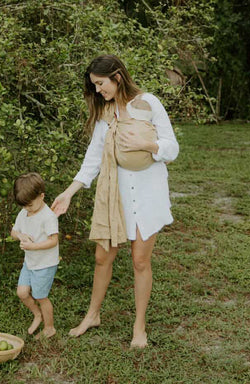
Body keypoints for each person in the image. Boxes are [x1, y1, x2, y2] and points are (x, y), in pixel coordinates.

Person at [51, 54, 179, 348]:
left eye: (100, 84)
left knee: (140, 260)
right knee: (102, 257)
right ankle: (92, 315)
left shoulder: (149, 104)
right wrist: (69, 192)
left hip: (148, 193)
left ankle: (139, 327)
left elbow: (172, 148)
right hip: (116, 194)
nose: (98, 91)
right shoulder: (106, 115)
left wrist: (145, 144)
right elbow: (93, 159)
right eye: (94, 86)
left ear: (117, 77)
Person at [11, 172, 59, 339]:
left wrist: (33, 246)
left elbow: (53, 240)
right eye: (24, 206)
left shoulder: (48, 217)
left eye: (30, 205)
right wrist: (20, 236)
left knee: (41, 296)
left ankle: (49, 328)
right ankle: (37, 314)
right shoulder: (24, 212)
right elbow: (13, 231)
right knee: (22, 293)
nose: (27, 209)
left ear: (42, 196)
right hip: (30, 262)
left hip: (45, 264)